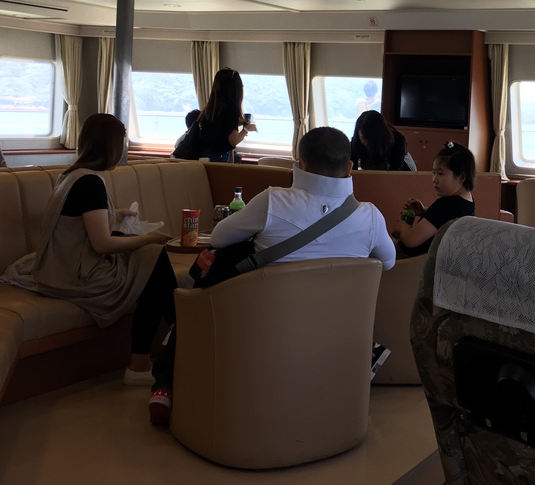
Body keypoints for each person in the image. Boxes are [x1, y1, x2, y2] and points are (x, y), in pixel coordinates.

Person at [149, 126, 395, 425]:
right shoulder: (370, 216)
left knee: (203, 287)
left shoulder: (273, 201)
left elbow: (220, 237)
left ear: (301, 164)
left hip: (264, 326)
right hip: (337, 332)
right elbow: (388, 262)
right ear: (349, 167)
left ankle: (164, 384)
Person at [0, 114, 175, 386]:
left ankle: (173, 337)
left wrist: (114, 214)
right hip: (78, 275)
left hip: (58, 265)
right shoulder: (91, 183)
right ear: (112, 146)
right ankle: (154, 352)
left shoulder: (71, 175)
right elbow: (102, 244)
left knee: (152, 265)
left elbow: (77, 222)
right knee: (155, 261)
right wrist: (149, 238)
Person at [393, 142, 475, 258]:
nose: (434, 179)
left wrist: (402, 227)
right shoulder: (467, 203)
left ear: (461, 177)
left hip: (411, 260)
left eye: (441, 173)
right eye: (434, 173)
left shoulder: (445, 205)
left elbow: (411, 240)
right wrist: (425, 211)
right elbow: (444, 219)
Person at [198, 68, 256, 163]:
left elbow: (220, 129)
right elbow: (233, 141)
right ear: (236, 89)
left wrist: (237, 123)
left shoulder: (211, 107)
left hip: (205, 156)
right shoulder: (231, 108)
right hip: (219, 157)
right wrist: (246, 129)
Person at [351, 110, 416, 171]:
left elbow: (396, 173)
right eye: (362, 137)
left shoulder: (397, 141)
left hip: (404, 172)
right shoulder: (356, 141)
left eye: (368, 139)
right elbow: (351, 170)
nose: (365, 142)